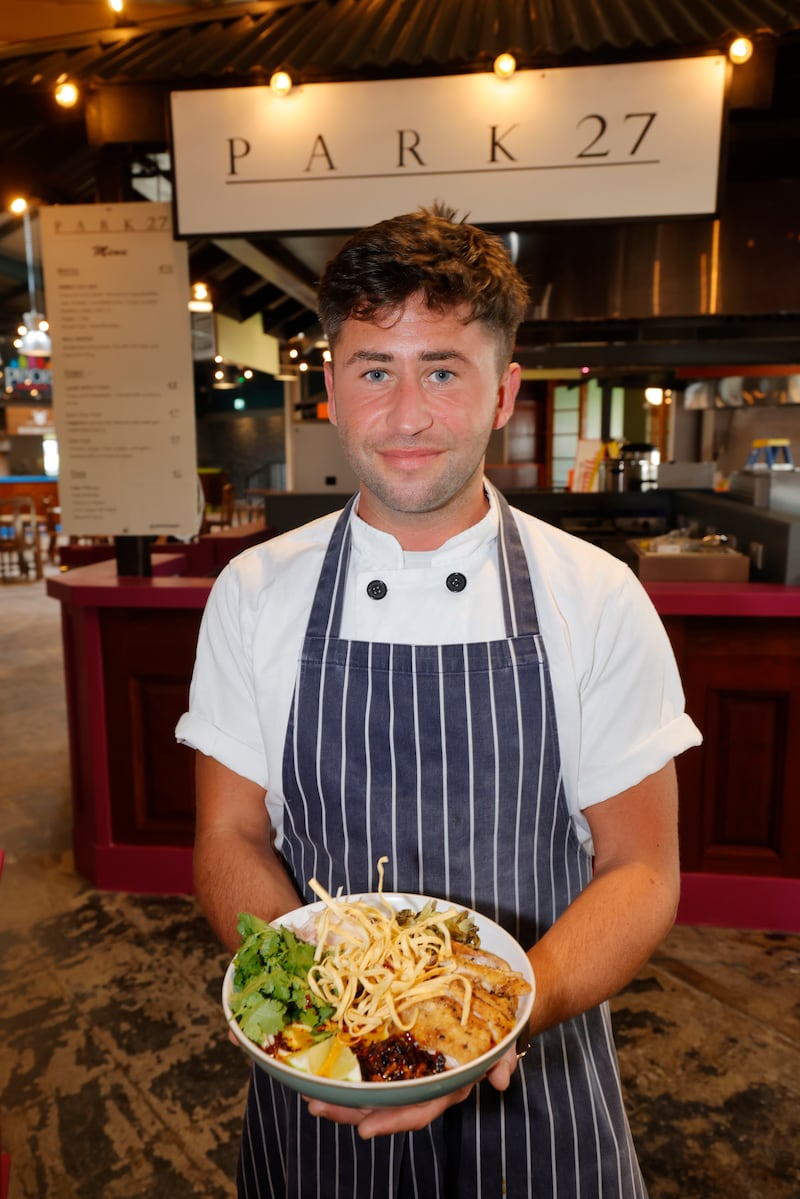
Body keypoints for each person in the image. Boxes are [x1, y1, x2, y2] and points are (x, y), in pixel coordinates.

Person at [176, 203, 702, 1198]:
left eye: (443, 370)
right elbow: (227, 839)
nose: (406, 413)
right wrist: (342, 1028)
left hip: (535, 1074)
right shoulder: (254, 591)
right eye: (375, 368)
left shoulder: (592, 594)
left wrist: (484, 1021)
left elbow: (640, 868)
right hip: (325, 1076)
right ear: (331, 386)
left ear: (501, 391)